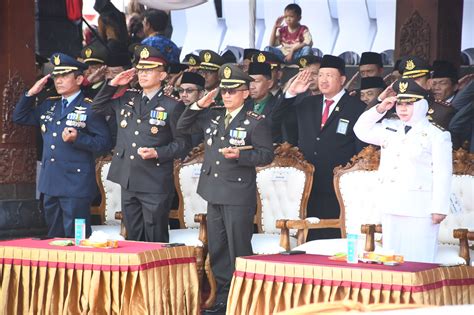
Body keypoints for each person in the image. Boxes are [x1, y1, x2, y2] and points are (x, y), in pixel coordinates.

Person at [176, 64, 274, 313]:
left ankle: (244, 298)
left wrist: (240, 157)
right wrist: (199, 104)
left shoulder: (255, 122)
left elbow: (266, 155)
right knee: (218, 248)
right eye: (225, 91)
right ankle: (222, 296)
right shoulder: (214, 115)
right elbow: (183, 125)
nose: (227, 96)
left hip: (238, 194)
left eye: (233, 91)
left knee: (238, 247)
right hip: (213, 190)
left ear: (245, 93)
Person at [91, 45, 189, 242]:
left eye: (149, 70)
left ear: (162, 76)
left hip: (154, 181)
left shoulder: (172, 105)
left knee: (154, 239)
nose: (143, 74)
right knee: (133, 237)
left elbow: (183, 144)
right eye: (141, 70)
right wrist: (113, 84)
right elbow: (96, 108)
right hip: (128, 177)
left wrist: (158, 152)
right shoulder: (128, 97)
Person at [13, 53, 112, 237]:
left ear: (79, 79)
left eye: (64, 76)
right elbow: (19, 117)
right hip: (51, 183)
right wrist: (30, 94)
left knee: (77, 240)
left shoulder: (90, 107)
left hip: (76, 185)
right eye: (56, 76)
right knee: (54, 238)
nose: (59, 81)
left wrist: (79, 138)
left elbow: (104, 144)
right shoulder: (49, 105)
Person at [353, 78, 452, 263]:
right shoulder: (390, 127)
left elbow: (442, 173)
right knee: (393, 260)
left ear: (422, 105)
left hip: (420, 208)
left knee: (419, 260)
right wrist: (380, 108)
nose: (402, 108)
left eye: (409, 103)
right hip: (391, 204)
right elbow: (360, 130)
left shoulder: (437, 134)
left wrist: (439, 208)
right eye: (399, 103)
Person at [272, 54, 366, 240]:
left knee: (333, 242)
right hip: (308, 186)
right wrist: (291, 94)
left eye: (329, 75)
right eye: (320, 75)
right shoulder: (306, 104)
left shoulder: (356, 107)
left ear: (342, 79)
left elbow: (362, 150)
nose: (323, 80)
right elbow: (276, 120)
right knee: (309, 240)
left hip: (338, 189)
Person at [178, 72, 206, 147]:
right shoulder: (176, 108)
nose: (184, 95)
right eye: (181, 90)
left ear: (201, 94)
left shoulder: (208, 113)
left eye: (189, 91)